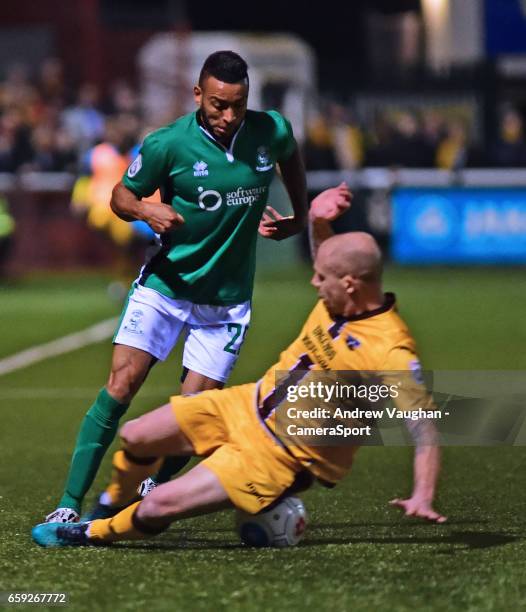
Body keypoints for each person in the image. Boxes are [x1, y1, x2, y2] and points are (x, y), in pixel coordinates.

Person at [33, 183, 446, 548]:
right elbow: (332, 260)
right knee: (137, 435)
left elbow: (423, 425)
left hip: (279, 456)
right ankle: (111, 502)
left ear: (351, 285)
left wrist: (423, 494)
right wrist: (319, 221)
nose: (313, 284)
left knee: (157, 504)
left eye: (321, 279)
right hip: (246, 405)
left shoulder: (390, 349)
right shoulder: (341, 292)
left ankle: (89, 533)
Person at [44, 50, 307, 523]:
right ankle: (68, 504)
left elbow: (290, 156)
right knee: (121, 385)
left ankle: (153, 489)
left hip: (225, 304)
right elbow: (121, 195)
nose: (228, 116)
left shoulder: (271, 130)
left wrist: (301, 217)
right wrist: (147, 210)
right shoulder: (169, 144)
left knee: (192, 417)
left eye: (238, 105)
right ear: (198, 95)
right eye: (218, 105)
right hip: (165, 288)